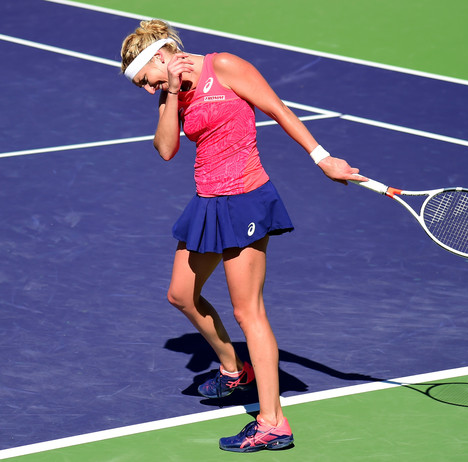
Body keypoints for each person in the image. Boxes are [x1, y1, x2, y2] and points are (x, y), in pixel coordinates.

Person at [120, 19, 365, 453]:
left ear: (159, 57)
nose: (145, 88)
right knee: (181, 295)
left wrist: (324, 159)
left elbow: (278, 110)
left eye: (144, 79)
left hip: (246, 198)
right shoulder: (169, 92)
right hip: (208, 202)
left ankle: (273, 422)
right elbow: (165, 150)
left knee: (247, 311)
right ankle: (235, 370)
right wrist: (171, 92)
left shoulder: (225, 66)